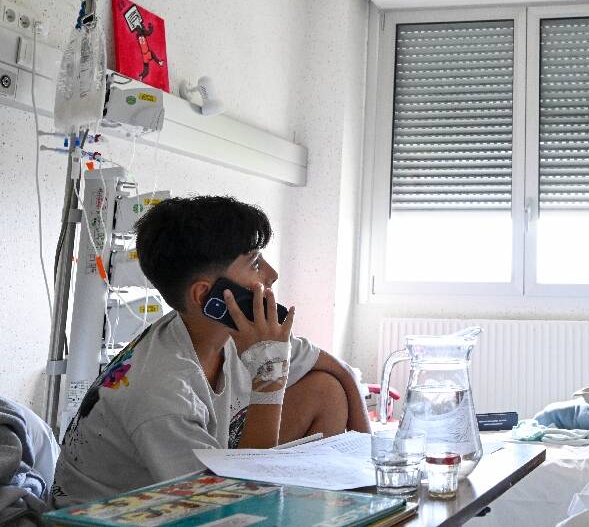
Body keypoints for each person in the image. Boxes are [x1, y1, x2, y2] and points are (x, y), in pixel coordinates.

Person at [52, 196, 370, 506]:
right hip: (110, 516)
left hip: (191, 488)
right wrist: (267, 379)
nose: (272, 274)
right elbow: (233, 503)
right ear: (208, 296)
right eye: (255, 264)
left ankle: (329, 501)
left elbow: (336, 368)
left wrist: (370, 464)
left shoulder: (226, 331)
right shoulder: (161, 392)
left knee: (326, 389)